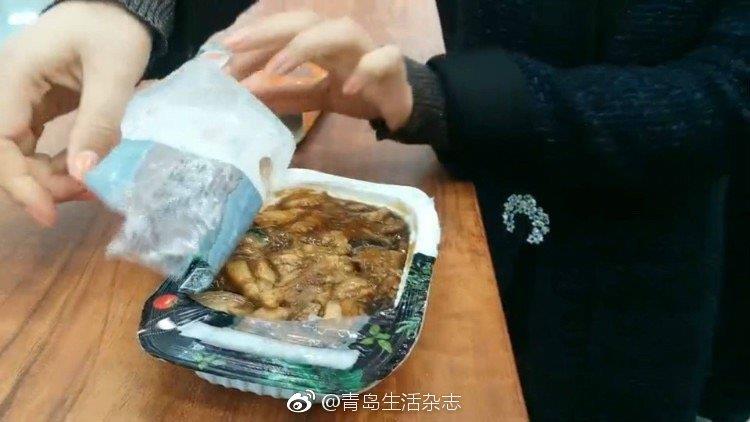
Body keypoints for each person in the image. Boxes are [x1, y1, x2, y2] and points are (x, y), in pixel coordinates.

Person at [0, 1, 747, 420]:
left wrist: (443, 99)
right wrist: (128, 9)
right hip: (463, 203)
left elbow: (728, 92)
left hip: (637, 268)